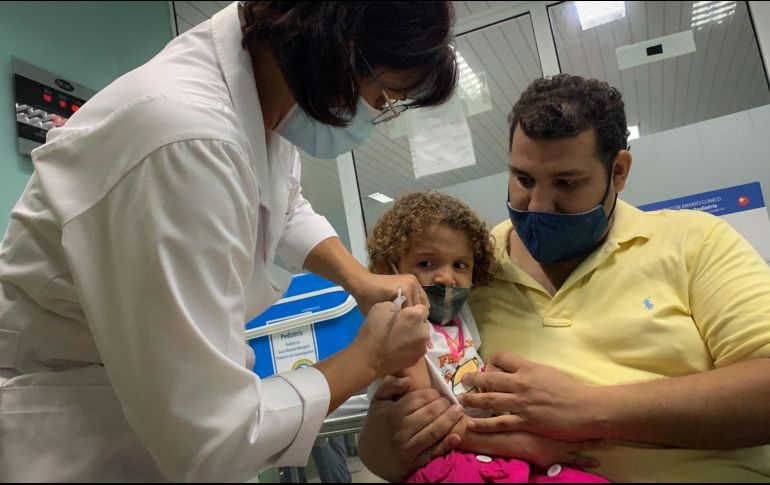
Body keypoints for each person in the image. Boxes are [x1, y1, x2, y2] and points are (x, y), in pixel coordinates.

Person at [0, 2, 458, 482]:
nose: (377, 112)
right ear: (341, 47)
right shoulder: (184, 140)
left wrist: (359, 280)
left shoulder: (265, 98)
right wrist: (367, 358)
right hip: (74, 441)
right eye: (382, 96)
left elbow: (283, 204)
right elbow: (213, 438)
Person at [358, 74, 770, 482]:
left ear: (619, 171)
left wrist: (588, 410)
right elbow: (400, 423)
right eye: (523, 179)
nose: (538, 205)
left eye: (566, 183)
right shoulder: (469, 268)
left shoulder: (694, 241)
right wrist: (380, 447)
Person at [366, 191, 607, 483]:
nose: (446, 278)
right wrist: (526, 446)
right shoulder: (398, 326)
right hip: (446, 457)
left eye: (459, 265)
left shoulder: (460, 317)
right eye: (426, 264)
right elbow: (428, 420)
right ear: (390, 268)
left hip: (489, 448)